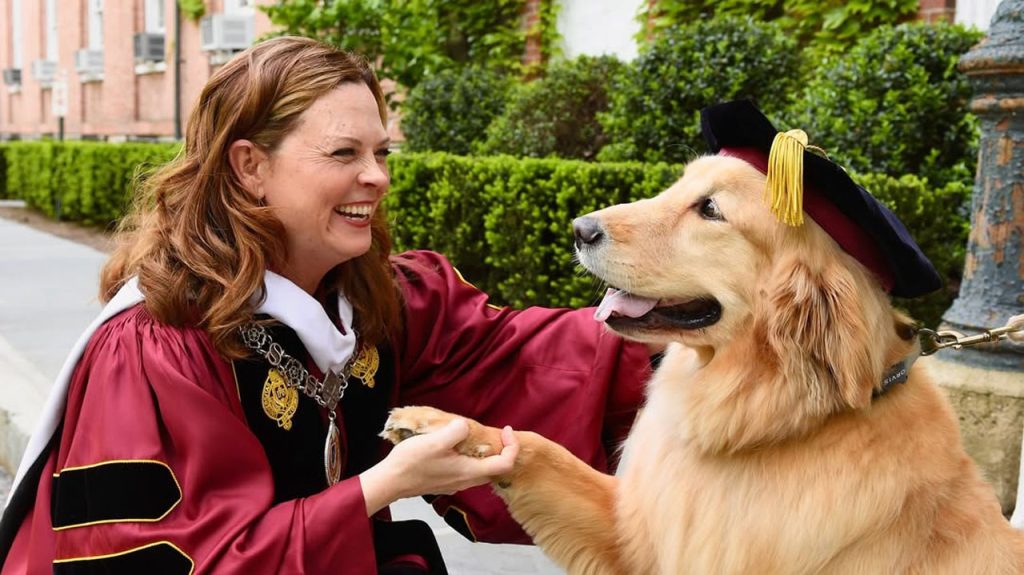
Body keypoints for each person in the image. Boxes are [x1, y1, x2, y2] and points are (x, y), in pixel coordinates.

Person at [0, 37, 653, 574]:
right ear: (250, 166)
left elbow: (534, 361)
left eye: (381, 152)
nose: (378, 176)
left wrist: (683, 327)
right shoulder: (156, 349)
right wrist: (381, 486)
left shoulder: (376, 303)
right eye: (345, 152)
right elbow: (164, 557)